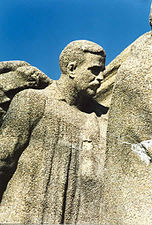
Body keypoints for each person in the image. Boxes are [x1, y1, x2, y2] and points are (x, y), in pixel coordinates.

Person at [0, 40, 107, 224]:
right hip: (26, 214)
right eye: (95, 70)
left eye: (103, 71)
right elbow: (3, 159)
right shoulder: (32, 101)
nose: (101, 77)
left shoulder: (100, 119)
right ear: (71, 69)